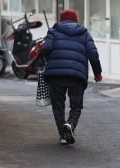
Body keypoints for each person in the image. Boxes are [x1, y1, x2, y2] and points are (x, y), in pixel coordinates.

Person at [43, 9, 102, 145]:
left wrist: (50, 61)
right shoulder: (84, 34)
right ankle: (70, 125)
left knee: (58, 106)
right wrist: (97, 73)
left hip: (55, 74)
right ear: (76, 20)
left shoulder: (53, 31)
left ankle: (63, 135)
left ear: (61, 19)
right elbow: (93, 54)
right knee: (76, 105)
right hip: (77, 74)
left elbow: (46, 48)